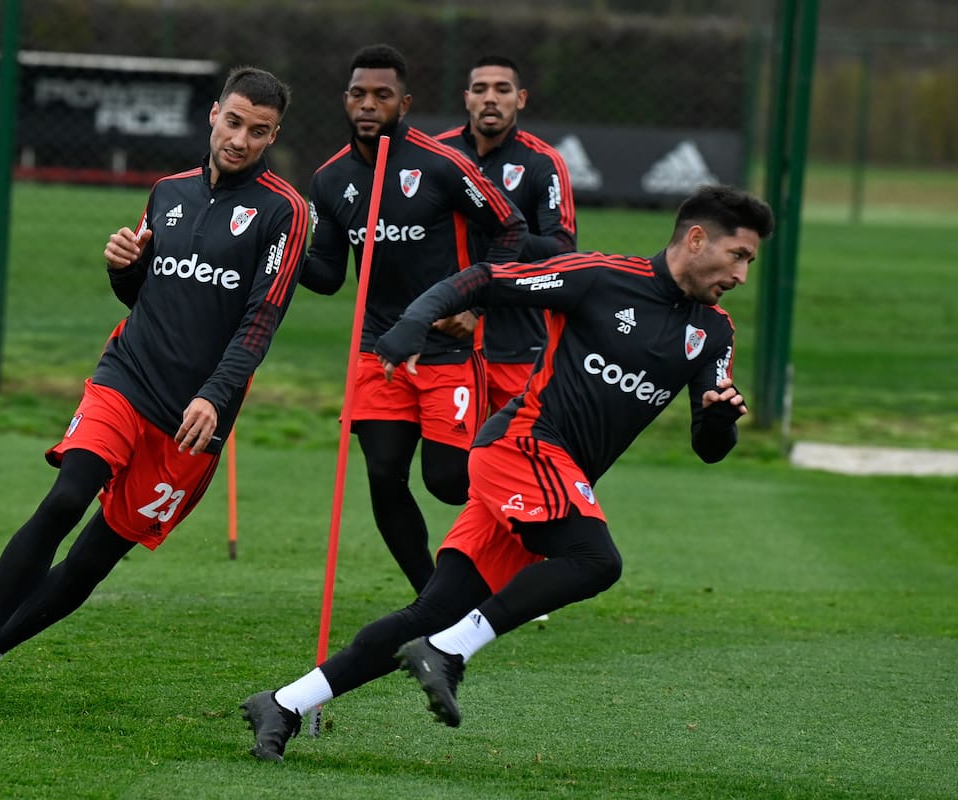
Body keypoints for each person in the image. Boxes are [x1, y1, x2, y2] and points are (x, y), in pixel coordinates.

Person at [241, 184, 774, 761]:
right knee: (596, 560)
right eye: (738, 256)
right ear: (696, 239)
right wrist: (416, 321)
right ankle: (447, 652)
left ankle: (285, 703)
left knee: (431, 611)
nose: (743, 275)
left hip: (552, 476)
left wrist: (720, 420)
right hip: (523, 446)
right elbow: (488, 280)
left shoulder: (713, 331)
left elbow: (709, 445)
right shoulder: (600, 277)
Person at [0, 66, 309, 703]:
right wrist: (122, 269)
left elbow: (261, 319)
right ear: (213, 114)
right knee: (67, 495)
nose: (240, 138)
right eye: (234, 121)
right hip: (126, 376)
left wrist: (214, 395)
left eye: (258, 131)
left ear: (273, 136)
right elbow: (145, 296)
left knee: (91, 561)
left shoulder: (284, 212)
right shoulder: (168, 191)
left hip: (191, 417)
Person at [300, 44, 528, 593]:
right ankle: (433, 596)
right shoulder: (330, 180)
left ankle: (525, 532)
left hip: (448, 349)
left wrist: (473, 305)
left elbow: (510, 229)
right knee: (384, 475)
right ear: (345, 100)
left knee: (449, 481)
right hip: (377, 350)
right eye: (358, 94)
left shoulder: (443, 164)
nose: (368, 105)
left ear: (405, 103)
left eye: (382, 95)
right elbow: (329, 275)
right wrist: (275, 249)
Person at [435, 55, 577, 413]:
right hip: (445, 336)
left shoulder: (542, 162)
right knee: (447, 465)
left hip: (515, 345)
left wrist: (501, 231)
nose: (490, 98)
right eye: (480, 89)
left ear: (521, 98)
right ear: (467, 98)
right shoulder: (438, 155)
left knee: (512, 456)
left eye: (503, 89)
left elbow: (561, 251)